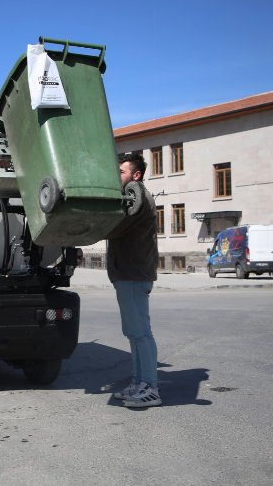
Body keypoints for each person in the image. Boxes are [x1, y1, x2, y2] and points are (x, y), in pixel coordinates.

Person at [106, 152, 161, 408]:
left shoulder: (135, 192)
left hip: (133, 273)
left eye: (121, 172)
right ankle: (140, 383)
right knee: (134, 333)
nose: (117, 176)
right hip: (130, 272)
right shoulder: (134, 192)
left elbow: (115, 226)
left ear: (135, 175)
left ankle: (149, 387)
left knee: (140, 333)